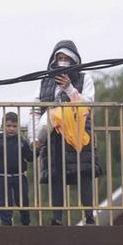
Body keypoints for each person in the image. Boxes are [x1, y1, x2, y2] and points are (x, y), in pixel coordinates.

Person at [34, 39, 97, 225]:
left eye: (66, 58)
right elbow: (36, 109)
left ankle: (89, 216)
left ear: (74, 60)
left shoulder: (85, 78)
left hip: (79, 131)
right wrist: (34, 138)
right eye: (59, 58)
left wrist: (69, 88)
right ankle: (57, 218)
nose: (62, 61)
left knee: (84, 172)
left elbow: (89, 103)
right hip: (54, 133)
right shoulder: (45, 81)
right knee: (56, 174)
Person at [0, 112, 32, 226]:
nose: (11, 129)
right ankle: (6, 225)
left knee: (23, 201)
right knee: (4, 202)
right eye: (8, 126)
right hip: (3, 177)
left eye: (14, 126)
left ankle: (26, 223)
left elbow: (29, 157)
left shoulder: (22, 142)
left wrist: (37, 150)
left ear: (18, 127)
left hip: (20, 176)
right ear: (2, 126)